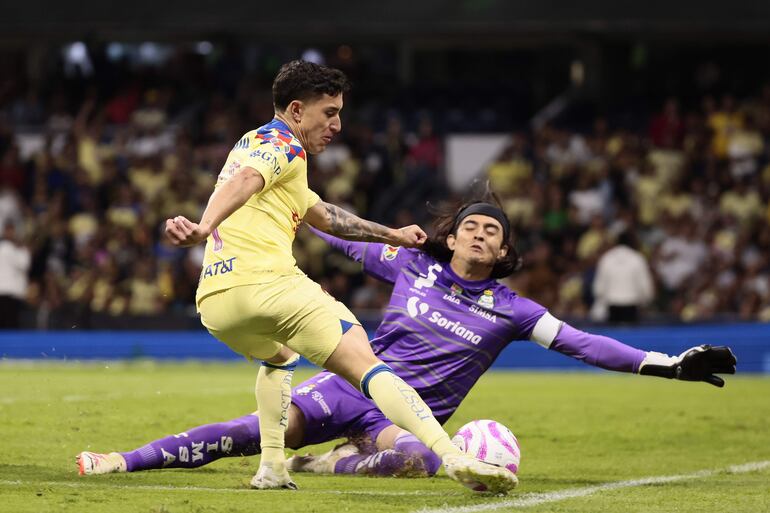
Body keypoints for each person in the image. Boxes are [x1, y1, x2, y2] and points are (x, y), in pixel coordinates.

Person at [78, 60, 516, 493]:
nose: (338, 124)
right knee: (368, 365)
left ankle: (271, 467)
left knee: (280, 358)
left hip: (217, 305)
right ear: (295, 110)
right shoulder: (281, 144)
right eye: (330, 112)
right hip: (268, 285)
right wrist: (203, 226)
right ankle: (453, 456)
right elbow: (248, 179)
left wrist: (393, 235)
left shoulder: (259, 148)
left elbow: (324, 215)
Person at [77, 195, 736, 481]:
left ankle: (328, 464)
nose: (480, 234)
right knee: (252, 431)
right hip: (348, 385)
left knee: (421, 460)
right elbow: (332, 234)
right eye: (471, 226)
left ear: (504, 251)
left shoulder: (511, 309)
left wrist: (668, 364)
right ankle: (124, 460)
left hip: (405, 423)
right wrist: (269, 211)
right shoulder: (408, 263)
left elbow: (585, 343)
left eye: (493, 232)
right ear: (451, 236)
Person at [593, 230, 655, 323]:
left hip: (612, 306)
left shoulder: (607, 258)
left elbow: (599, 288)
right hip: (631, 306)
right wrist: (646, 302)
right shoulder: (637, 258)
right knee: (630, 336)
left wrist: (602, 300)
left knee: (613, 336)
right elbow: (645, 286)